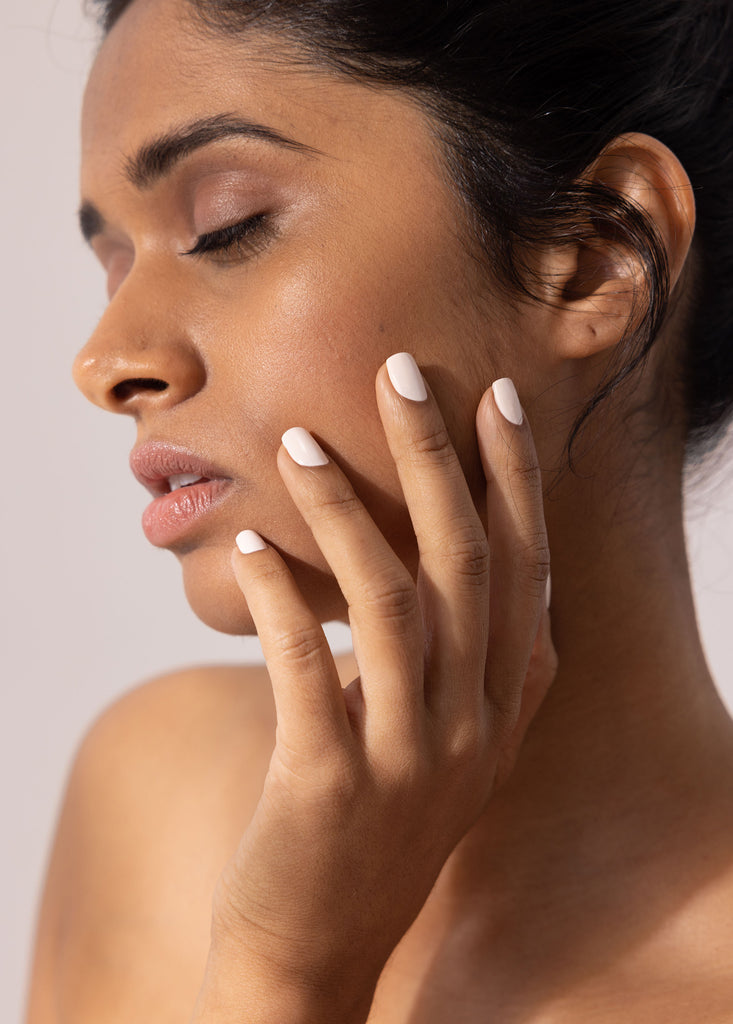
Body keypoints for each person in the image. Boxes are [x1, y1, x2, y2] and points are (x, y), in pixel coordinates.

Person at [25, 0, 733, 1020]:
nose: (104, 361)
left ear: (594, 252)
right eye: (116, 263)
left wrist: (292, 975)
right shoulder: (150, 799)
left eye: (225, 225)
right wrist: (281, 958)